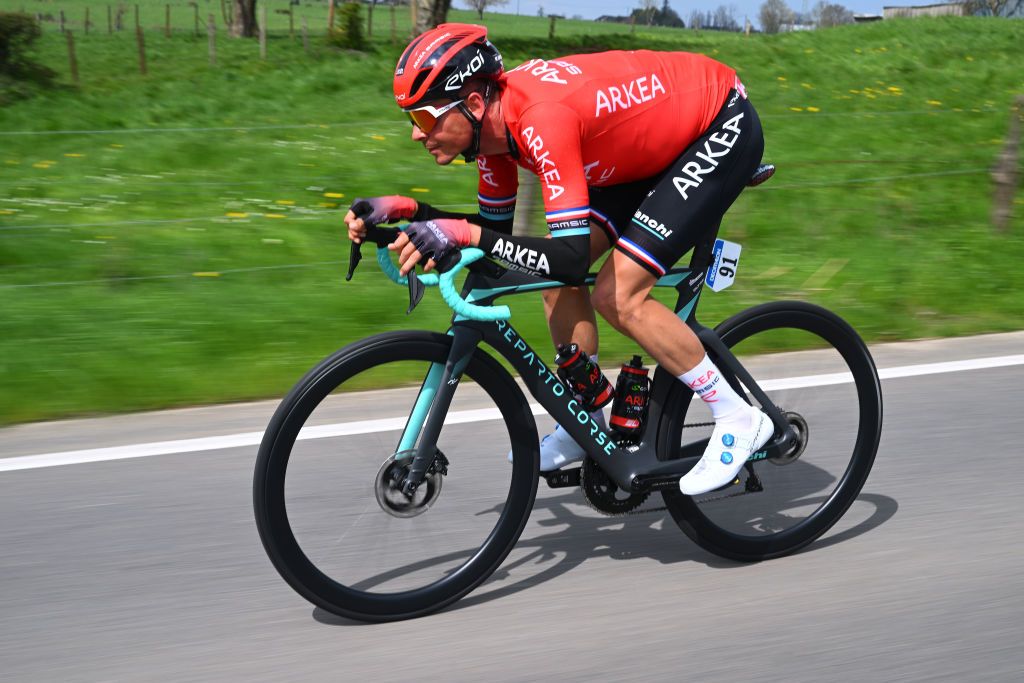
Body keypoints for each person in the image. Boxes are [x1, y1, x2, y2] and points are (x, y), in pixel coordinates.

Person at [344, 23, 773, 496]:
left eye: (424, 118)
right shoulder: (493, 136)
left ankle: (737, 415)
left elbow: (564, 258)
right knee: (548, 278)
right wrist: (411, 213)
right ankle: (583, 421)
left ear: (471, 105)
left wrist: (461, 233)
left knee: (619, 296)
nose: (414, 134)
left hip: (717, 122)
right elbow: (496, 235)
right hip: (645, 149)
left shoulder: (539, 120)